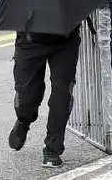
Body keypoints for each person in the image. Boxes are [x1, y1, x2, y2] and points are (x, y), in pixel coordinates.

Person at [8, 25, 81, 168]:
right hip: (29, 38)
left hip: (65, 39)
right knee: (27, 96)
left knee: (62, 95)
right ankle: (24, 120)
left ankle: (52, 148)